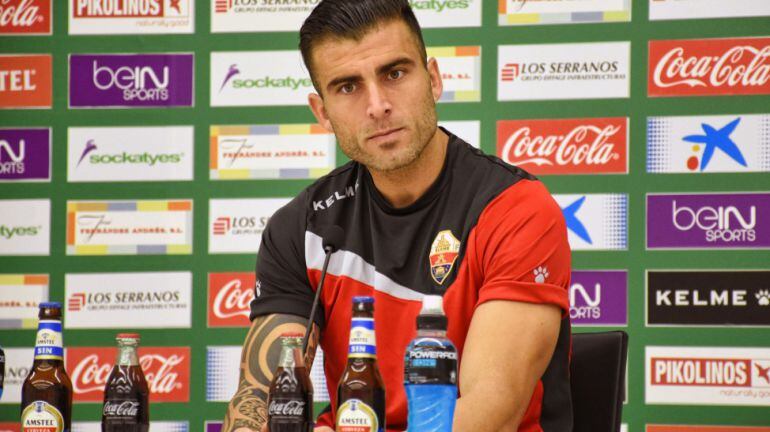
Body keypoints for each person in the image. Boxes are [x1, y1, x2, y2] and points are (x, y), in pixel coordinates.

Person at [223, 1, 572, 431]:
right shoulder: (301, 228)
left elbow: (487, 417)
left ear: (434, 79)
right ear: (322, 112)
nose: (377, 105)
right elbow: (259, 399)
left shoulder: (514, 209)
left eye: (395, 73)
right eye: (348, 87)